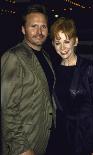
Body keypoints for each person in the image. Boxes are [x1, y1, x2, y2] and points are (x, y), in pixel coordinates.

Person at [1, 4, 56, 155]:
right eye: (34, 26)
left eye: (43, 26)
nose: (39, 32)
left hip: (45, 139)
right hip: (25, 143)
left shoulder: (45, 56)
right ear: (23, 30)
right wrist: (21, 147)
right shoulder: (14, 57)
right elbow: (7, 108)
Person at [50, 17, 93, 155]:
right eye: (58, 43)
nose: (62, 48)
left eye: (67, 41)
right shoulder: (53, 71)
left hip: (85, 139)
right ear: (53, 44)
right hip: (62, 139)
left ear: (75, 41)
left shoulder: (91, 68)